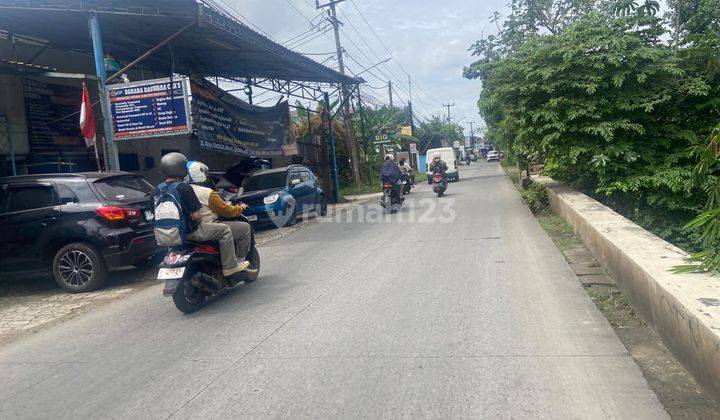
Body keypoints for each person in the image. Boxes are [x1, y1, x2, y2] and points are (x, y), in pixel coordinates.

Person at [155, 153, 248, 278]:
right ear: (182, 169)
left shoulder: (157, 190)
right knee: (225, 230)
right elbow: (197, 216)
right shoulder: (185, 188)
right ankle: (230, 267)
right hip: (190, 232)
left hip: (165, 236)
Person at [186, 160, 253, 268]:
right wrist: (240, 208)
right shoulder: (206, 192)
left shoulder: (179, 191)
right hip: (207, 227)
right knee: (244, 228)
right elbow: (227, 211)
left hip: (186, 230)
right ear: (199, 173)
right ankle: (238, 263)